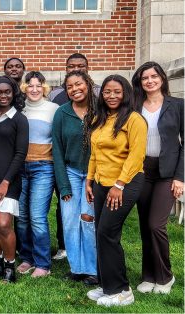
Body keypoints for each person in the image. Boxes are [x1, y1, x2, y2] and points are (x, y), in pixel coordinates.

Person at [85, 75, 147, 306]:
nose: (111, 96)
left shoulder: (134, 119)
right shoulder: (100, 119)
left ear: (126, 93)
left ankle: (122, 290)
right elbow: (94, 153)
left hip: (126, 183)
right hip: (101, 183)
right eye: (107, 92)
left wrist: (119, 184)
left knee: (107, 233)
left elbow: (137, 155)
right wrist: (89, 181)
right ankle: (107, 285)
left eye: (117, 91)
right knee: (101, 233)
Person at [132, 61, 183, 295]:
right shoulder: (134, 105)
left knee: (156, 225)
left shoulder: (178, 105)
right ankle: (149, 275)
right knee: (145, 226)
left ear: (162, 78)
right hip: (142, 171)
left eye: (153, 76)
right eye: (145, 78)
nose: (149, 81)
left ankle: (165, 275)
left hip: (167, 172)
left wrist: (180, 177)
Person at [48, 53, 101, 260]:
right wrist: (63, 184)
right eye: (69, 87)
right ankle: (76, 266)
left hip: (93, 174)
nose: (74, 89)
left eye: (78, 85)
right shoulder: (61, 112)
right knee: (69, 220)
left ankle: (90, 265)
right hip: (70, 172)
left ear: (87, 84)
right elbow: (58, 150)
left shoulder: (101, 110)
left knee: (88, 219)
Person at [0, 75, 29, 283]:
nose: (3, 95)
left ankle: (10, 266)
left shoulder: (19, 119)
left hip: (8, 179)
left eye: (7, 92)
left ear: (14, 93)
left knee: (3, 223)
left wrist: (5, 182)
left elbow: (20, 154)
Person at [16, 71, 58, 277]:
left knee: (37, 216)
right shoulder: (19, 109)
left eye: (38, 85)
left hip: (43, 167)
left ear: (44, 88)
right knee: (22, 216)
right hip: (20, 167)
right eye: (30, 85)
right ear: (24, 87)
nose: (34, 89)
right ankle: (27, 257)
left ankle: (43, 263)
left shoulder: (53, 109)